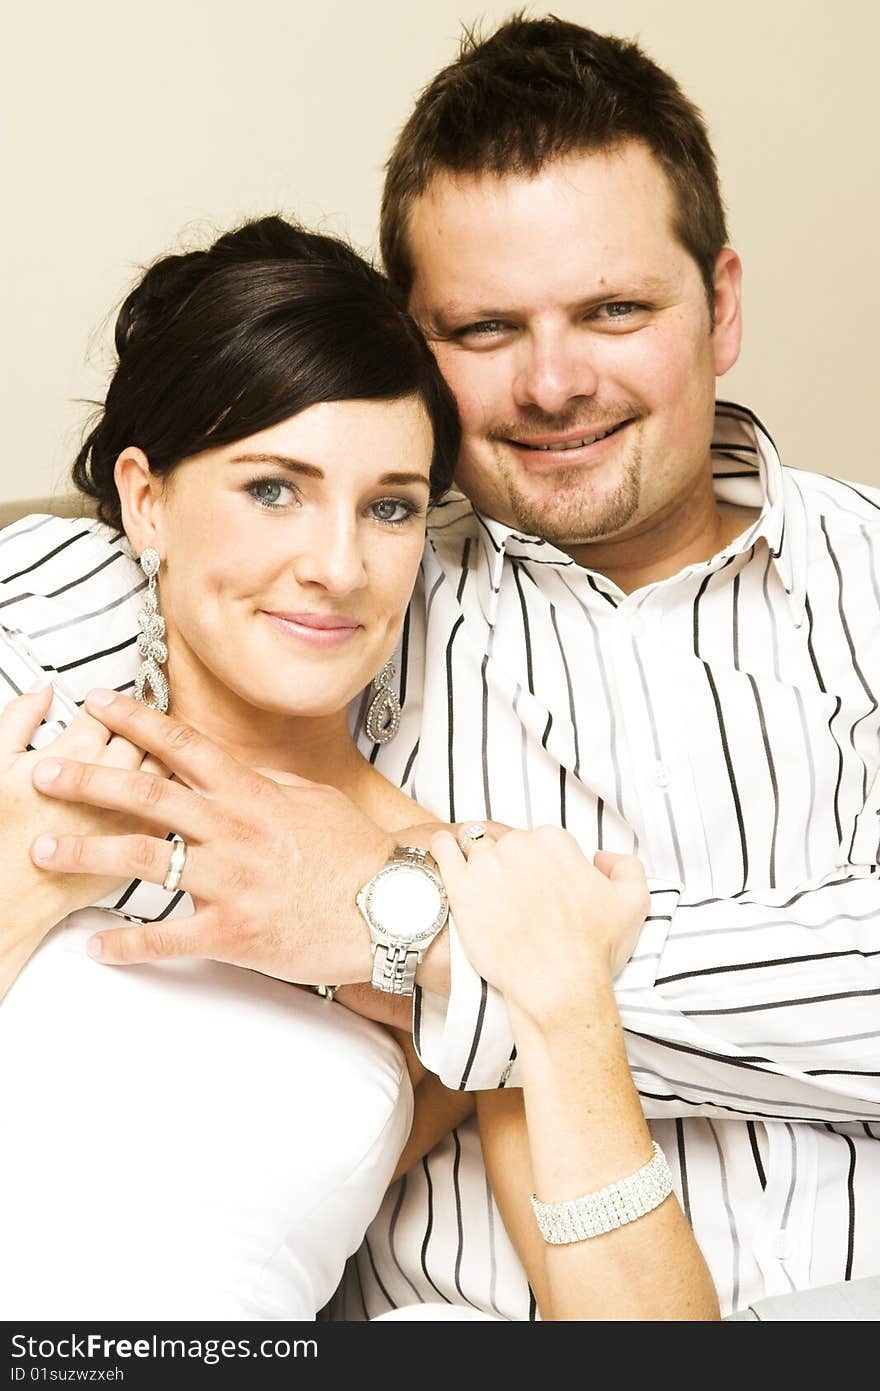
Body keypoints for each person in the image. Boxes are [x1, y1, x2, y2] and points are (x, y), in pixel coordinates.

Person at [15, 17, 880, 1320]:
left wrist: (411, 929)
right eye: (482, 328)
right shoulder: (183, 638)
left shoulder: (470, 868)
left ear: (724, 302)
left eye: (616, 309)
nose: (553, 380)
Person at [0, 212, 719, 1322]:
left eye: (389, 507)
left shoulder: (462, 891)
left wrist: (553, 1001)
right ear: (146, 500)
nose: (337, 566)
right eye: (273, 489)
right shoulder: (31, 745)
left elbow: (649, 1336)